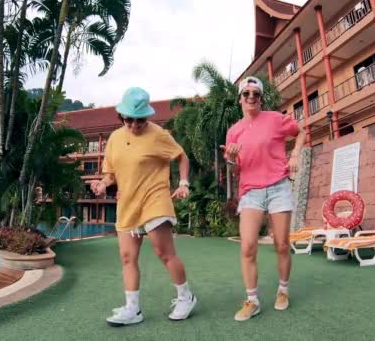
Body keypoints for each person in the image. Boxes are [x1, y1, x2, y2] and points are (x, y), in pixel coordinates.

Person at [88, 87, 197, 327]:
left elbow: (182, 156)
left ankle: (185, 297)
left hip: (154, 197)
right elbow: (110, 174)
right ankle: (133, 309)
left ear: (147, 117)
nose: (135, 124)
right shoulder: (115, 138)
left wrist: (184, 183)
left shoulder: (158, 134)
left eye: (140, 120)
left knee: (163, 252)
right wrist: (103, 184)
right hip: (128, 203)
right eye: (130, 119)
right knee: (127, 257)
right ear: (121, 117)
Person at [223, 76, 305, 321]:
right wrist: (231, 158)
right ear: (240, 99)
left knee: (281, 243)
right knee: (248, 246)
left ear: (260, 99)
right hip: (251, 191)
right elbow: (235, 169)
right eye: (246, 94)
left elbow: (300, 132)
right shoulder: (234, 131)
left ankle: (283, 290)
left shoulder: (275, 119)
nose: (251, 98)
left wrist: (295, 156)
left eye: (255, 94)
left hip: (279, 186)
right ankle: (252, 300)